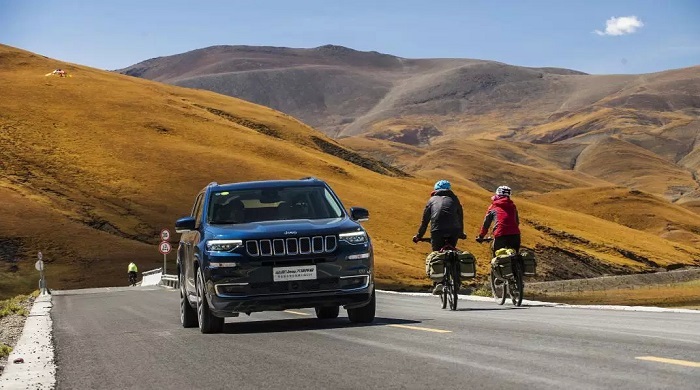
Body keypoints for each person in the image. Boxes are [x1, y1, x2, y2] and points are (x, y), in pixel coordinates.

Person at [412, 180, 466, 294]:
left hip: (437, 231)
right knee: (452, 251)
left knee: (437, 254)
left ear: (435, 190)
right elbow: (460, 217)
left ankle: (438, 283)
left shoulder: (431, 200)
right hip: (454, 230)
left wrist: (419, 236)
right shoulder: (455, 199)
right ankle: (456, 279)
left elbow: (425, 221)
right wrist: (461, 233)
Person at [477, 185, 521, 254]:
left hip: (500, 234)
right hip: (515, 234)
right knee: (515, 256)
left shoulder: (493, 206)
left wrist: (481, 236)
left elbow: (486, 223)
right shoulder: (513, 206)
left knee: (498, 258)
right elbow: (517, 222)